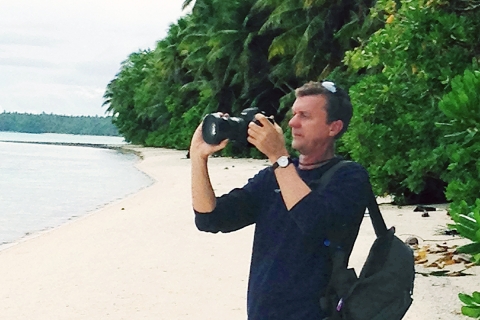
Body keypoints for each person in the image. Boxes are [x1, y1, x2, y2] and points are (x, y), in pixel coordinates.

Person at [189, 81, 371, 319]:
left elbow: (314, 223)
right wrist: (198, 157)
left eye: (305, 116)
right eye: (294, 114)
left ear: (333, 127)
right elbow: (210, 218)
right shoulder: (272, 177)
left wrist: (278, 157)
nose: (293, 123)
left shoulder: (349, 176)